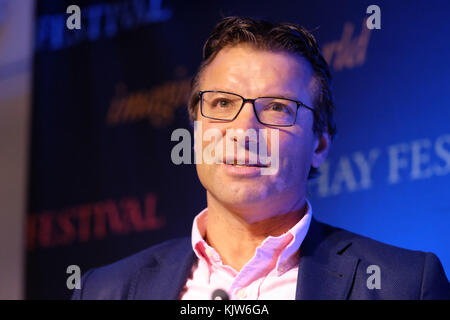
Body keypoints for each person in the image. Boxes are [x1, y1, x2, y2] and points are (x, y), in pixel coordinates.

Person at [72, 16, 450, 300]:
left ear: (319, 144)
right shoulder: (105, 290)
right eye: (221, 103)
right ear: (195, 129)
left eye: (276, 108)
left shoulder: (403, 284)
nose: (243, 130)